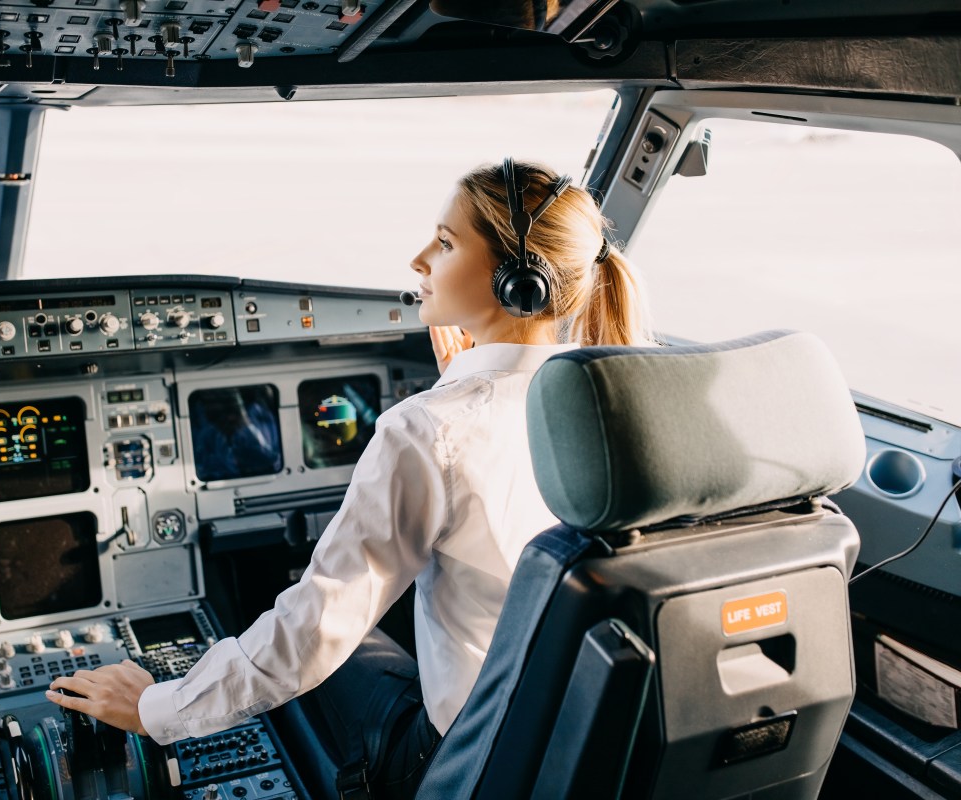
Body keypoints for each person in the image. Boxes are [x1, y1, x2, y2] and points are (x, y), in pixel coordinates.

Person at [46, 159, 652, 798]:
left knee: (298, 614)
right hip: (584, 737)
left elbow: (315, 631)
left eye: (445, 243)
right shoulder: (619, 397)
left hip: (467, 760)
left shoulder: (428, 429)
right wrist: (473, 369)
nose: (420, 260)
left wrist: (157, 708)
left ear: (516, 280)